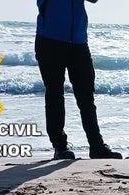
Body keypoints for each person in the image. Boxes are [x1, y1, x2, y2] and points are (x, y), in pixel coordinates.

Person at [35, 0, 122, 160]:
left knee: (86, 96)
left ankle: (96, 146)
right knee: (55, 94)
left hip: (78, 42)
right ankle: (60, 147)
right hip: (50, 40)